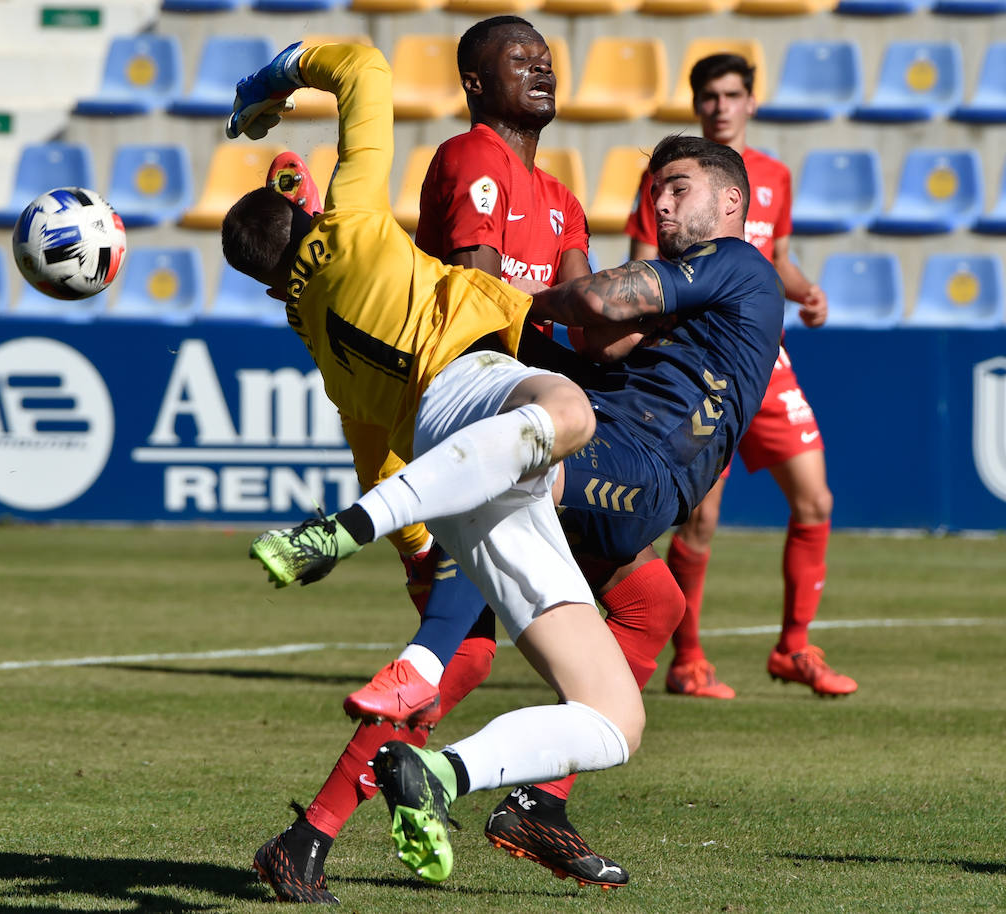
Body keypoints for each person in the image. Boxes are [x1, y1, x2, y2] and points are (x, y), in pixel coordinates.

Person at [223, 40, 784, 887]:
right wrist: (413, 529)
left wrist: (647, 325)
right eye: (521, 58)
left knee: (651, 603)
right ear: (477, 81)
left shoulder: (558, 198)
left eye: (548, 56)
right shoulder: (470, 162)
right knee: (463, 651)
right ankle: (319, 829)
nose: (544, 68)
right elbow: (484, 298)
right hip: (485, 413)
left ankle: (532, 802)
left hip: (550, 434)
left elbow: (601, 329)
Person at [625, 53, 857, 700]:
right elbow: (647, 267)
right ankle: (688, 660)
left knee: (815, 499)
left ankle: (794, 647)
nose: (721, 106)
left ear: (751, 102)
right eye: (710, 97)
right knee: (699, 522)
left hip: (768, 358)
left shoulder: (774, 178)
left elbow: (774, 256)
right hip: (706, 364)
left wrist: (806, 290)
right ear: (698, 105)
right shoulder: (674, 181)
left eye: (732, 95)